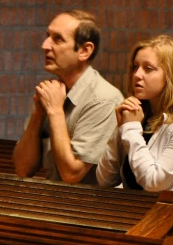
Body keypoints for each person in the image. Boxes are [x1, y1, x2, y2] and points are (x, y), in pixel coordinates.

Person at [13, 10, 123, 184]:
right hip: (54, 201)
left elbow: (71, 175)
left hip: (89, 207)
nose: (45, 45)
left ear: (84, 51)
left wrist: (55, 111)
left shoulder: (103, 99)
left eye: (58, 39)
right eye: (48, 35)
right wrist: (38, 115)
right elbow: (23, 169)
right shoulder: (53, 92)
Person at [96, 35, 173, 194]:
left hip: (169, 213)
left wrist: (130, 129)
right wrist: (119, 131)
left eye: (148, 69)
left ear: (171, 76)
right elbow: (105, 179)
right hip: (131, 210)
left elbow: (154, 183)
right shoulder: (137, 114)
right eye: (135, 67)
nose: (137, 75)